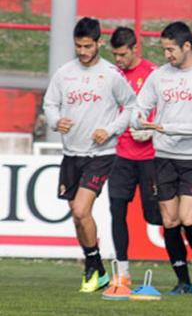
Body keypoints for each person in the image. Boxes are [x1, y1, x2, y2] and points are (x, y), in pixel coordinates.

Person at [43, 17, 136, 292]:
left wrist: (110, 130)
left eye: (87, 46)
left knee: (82, 209)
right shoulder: (64, 73)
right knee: (77, 214)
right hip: (72, 153)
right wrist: (55, 120)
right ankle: (95, 267)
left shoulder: (110, 74)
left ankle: (92, 266)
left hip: (101, 154)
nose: (82, 51)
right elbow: (50, 103)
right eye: (78, 46)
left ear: (98, 43)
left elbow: (130, 105)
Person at [131, 21, 192, 295]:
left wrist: (171, 128)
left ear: (187, 46)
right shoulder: (159, 76)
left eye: (171, 49)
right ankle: (182, 280)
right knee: (169, 221)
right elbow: (139, 108)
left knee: (187, 217)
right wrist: (138, 121)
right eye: (164, 50)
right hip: (164, 157)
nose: (167, 55)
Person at [104, 26, 160, 290]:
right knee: (117, 210)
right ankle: (123, 272)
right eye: (114, 54)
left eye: (122, 54)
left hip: (150, 157)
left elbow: (169, 110)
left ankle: (187, 267)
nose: (118, 60)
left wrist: (151, 129)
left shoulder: (153, 73)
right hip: (120, 155)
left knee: (157, 216)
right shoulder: (112, 76)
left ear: (134, 48)